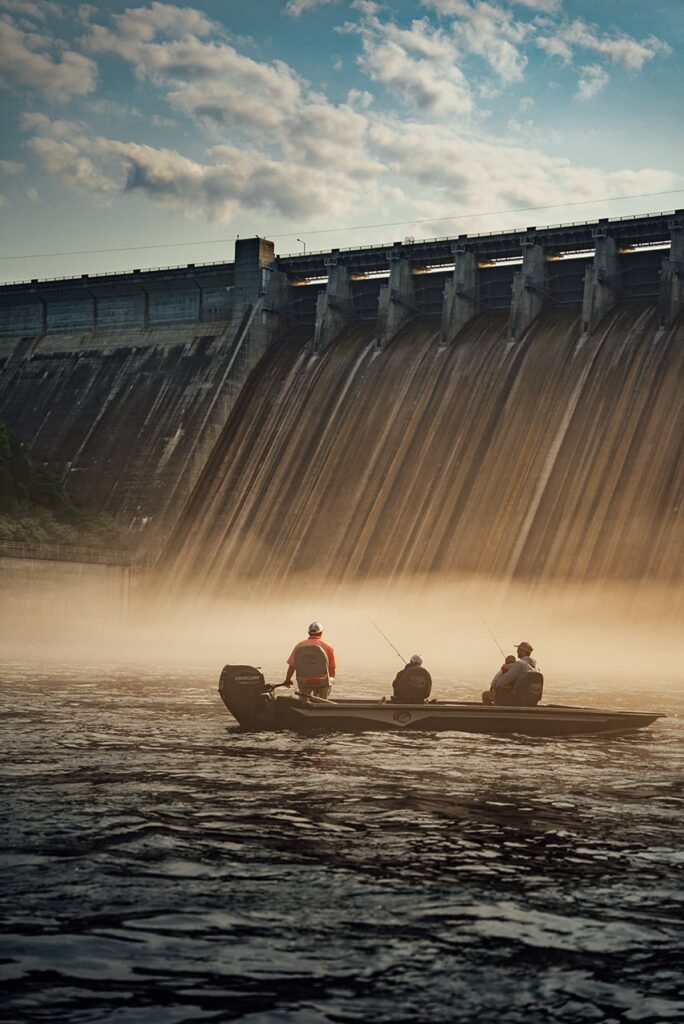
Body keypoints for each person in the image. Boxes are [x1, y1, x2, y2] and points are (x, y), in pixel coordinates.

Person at [284, 622, 336, 699]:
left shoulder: (299, 646)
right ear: (321, 633)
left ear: (309, 633)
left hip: (304, 681)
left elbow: (292, 666)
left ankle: (303, 703)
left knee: (303, 700)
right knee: (324, 694)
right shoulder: (328, 647)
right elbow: (332, 668)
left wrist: (287, 680)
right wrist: (331, 681)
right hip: (322, 681)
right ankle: (322, 704)